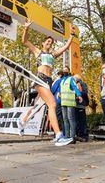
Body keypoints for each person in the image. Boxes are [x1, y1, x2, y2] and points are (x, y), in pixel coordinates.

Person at [19, 18, 76, 146]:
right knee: (52, 104)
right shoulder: (38, 52)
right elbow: (25, 41)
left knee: (37, 106)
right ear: (43, 43)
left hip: (48, 82)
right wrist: (26, 27)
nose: (50, 43)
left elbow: (66, 46)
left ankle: (22, 121)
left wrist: (71, 35)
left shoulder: (53, 55)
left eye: (51, 42)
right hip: (40, 79)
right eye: (48, 41)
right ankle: (58, 135)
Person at [53, 66, 82, 143]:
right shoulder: (62, 80)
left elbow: (75, 87)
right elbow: (61, 89)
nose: (64, 71)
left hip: (70, 102)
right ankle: (67, 136)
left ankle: (72, 137)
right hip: (63, 102)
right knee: (65, 120)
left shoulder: (71, 79)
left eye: (66, 70)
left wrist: (79, 95)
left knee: (71, 119)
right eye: (64, 70)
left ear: (69, 71)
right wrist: (59, 93)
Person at [74, 74, 89, 142]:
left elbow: (85, 92)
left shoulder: (81, 84)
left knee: (82, 121)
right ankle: (79, 135)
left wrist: (78, 94)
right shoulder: (75, 84)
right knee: (77, 121)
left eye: (74, 78)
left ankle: (84, 135)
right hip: (76, 105)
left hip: (80, 104)